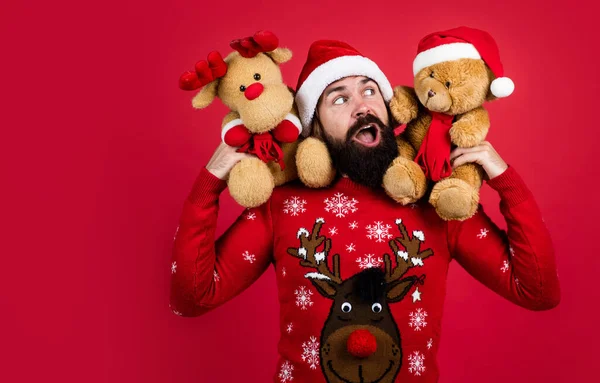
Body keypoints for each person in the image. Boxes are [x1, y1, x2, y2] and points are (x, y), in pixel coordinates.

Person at [170, 39, 560, 383]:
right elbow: (192, 297)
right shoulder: (282, 206)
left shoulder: (438, 202)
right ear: (315, 129)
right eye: (339, 98)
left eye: (370, 91)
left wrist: (504, 180)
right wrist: (210, 185)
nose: (361, 107)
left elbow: (537, 291)